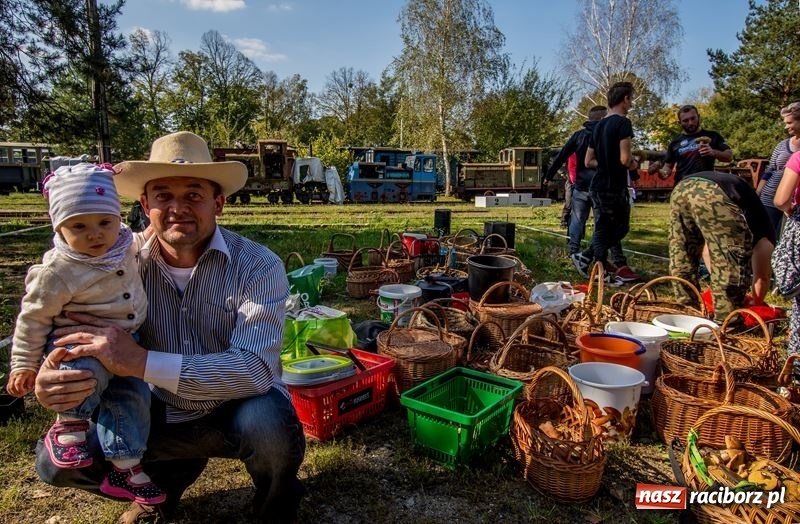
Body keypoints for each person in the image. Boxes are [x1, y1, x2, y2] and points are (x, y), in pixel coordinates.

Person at [32, 131, 306, 524]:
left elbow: (255, 370)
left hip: (234, 408)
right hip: (150, 411)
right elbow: (66, 330)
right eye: (163, 195)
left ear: (219, 203)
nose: (178, 208)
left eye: (194, 194)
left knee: (269, 425)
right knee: (55, 463)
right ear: (145, 205)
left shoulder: (258, 265)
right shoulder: (113, 269)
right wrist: (49, 374)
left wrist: (139, 361)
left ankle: (275, 506)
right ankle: (157, 490)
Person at [7, 162, 163, 505]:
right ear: (59, 227)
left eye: (104, 223)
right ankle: (70, 425)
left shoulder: (121, 246)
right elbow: (31, 320)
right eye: (79, 226)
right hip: (79, 343)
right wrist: (24, 365)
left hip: (127, 343)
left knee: (133, 399)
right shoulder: (57, 271)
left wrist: (154, 226)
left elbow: (138, 241)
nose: (95, 234)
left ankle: (126, 464)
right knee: (82, 375)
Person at [669, 171, 775, 323]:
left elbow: (708, 250)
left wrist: (717, 281)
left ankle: (685, 312)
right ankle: (728, 323)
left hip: (682, 188)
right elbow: (762, 278)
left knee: (682, 253)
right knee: (732, 262)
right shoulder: (766, 236)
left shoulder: (755, 216)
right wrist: (756, 304)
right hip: (714, 192)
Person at [571, 82, 642, 283]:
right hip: (613, 186)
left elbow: (588, 161)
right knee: (620, 228)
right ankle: (585, 256)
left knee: (602, 228)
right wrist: (635, 164)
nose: (630, 104)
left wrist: (607, 160)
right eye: (631, 99)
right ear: (625, 99)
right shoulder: (622, 123)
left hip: (597, 185)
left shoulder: (598, 126)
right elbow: (625, 160)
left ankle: (600, 269)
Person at [653, 105, 733, 184]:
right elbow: (667, 170)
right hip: (682, 186)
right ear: (679, 123)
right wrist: (658, 171)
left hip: (706, 185)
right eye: (685, 120)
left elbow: (729, 156)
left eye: (693, 118)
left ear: (698, 117)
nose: (690, 123)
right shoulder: (674, 143)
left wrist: (713, 152)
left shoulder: (713, 136)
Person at [757, 101, 800, 241]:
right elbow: (769, 170)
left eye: (789, 122)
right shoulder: (782, 145)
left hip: (793, 205)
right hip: (770, 197)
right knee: (766, 238)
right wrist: (758, 192)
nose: (786, 126)